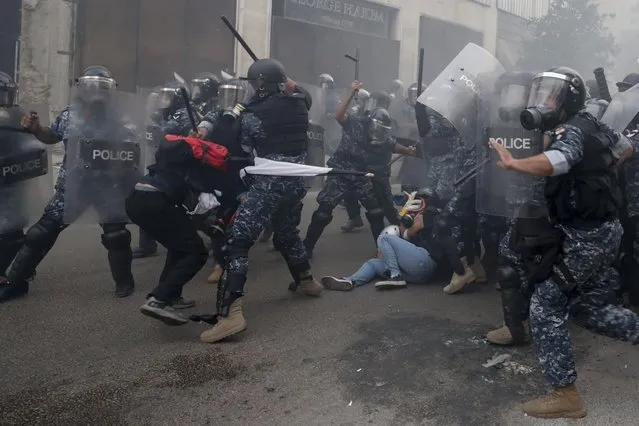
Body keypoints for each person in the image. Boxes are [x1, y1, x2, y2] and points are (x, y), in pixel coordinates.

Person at [490, 66, 639, 419]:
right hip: (602, 230)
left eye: (550, 95)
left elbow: (559, 160)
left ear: (568, 99)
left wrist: (514, 164)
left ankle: (565, 394)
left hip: (587, 236)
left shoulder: (572, 130)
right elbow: (625, 146)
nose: (543, 101)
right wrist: (598, 170)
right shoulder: (591, 123)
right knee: (591, 309)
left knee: (547, 304)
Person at [199, 58, 323, 344]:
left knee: (237, 241)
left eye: (255, 84)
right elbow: (301, 92)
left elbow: (228, 141)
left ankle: (231, 315)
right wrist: (286, 81)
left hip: (269, 182)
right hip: (296, 182)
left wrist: (233, 111)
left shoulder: (253, 113)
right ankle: (306, 280)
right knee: (287, 231)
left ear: (261, 85)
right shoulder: (300, 103)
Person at [0, 65, 139, 302]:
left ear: (110, 91)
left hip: (106, 188)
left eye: (101, 88)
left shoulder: (120, 120)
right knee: (39, 235)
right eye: (90, 87)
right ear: (81, 89)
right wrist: (36, 129)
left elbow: (131, 154)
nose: (95, 93)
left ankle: (124, 282)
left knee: (116, 235)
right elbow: (51, 136)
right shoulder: (69, 116)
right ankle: (13, 281)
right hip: (73, 187)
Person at [303, 82, 399, 258]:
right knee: (324, 211)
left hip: (361, 174)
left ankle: (382, 249)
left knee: (376, 212)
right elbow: (338, 115)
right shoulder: (355, 122)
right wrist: (350, 93)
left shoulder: (382, 136)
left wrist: (411, 151)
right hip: (341, 171)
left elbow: (394, 145)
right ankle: (307, 247)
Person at [0, 71, 49, 292]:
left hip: (11, 183)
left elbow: (32, 148)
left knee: (11, 228)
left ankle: (16, 277)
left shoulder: (17, 116)